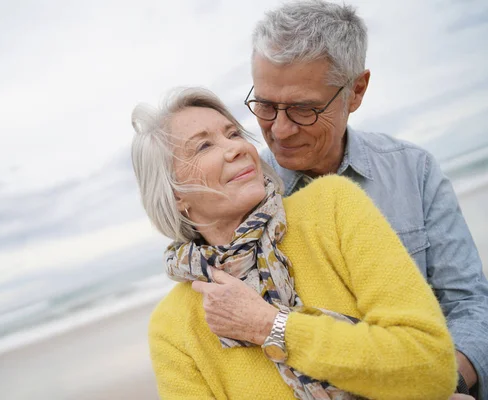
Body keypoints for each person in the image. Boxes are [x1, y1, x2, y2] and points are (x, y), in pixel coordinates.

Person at [131, 87, 457, 399]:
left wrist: (270, 326)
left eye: (233, 134)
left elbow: (431, 365)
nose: (238, 148)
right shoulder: (173, 328)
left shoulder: (333, 207)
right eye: (204, 146)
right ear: (175, 196)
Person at [242, 1, 488, 398]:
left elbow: (469, 302)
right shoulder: (243, 198)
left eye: (304, 109)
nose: (280, 130)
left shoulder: (415, 171)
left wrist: (445, 385)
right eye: (266, 106)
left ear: (356, 91)